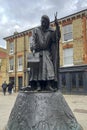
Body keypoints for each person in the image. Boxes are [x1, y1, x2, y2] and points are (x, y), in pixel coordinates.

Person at [29, 15, 61, 91]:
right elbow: (32, 40)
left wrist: (57, 26)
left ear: (48, 23)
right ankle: (38, 85)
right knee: (36, 70)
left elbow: (57, 37)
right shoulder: (36, 30)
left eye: (45, 22)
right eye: (42, 22)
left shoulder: (51, 31)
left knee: (49, 68)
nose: (43, 24)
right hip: (37, 52)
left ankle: (48, 85)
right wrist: (33, 48)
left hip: (47, 53)